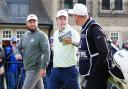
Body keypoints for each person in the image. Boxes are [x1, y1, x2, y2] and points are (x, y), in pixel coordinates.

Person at [69, 3, 109, 89]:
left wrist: (95, 71)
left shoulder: (94, 28)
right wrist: (73, 42)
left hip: (97, 74)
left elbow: (104, 52)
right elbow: (87, 46)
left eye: (73, 16)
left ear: (77, 17)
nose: (73, 18)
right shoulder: (85, 28)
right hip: (91, 74)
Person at [14, 14, 50, 89]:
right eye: (30, 22)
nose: (32, 24)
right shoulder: (24, 36)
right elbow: (16, 47)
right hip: (28, 69)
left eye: (34, 22)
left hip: (36, 69)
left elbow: (47, 52)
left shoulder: (42, 35)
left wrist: (43, 67)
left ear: (37, 23)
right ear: (26, 23)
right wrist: (17, 53)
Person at [49, 10, 80, 89]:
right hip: (55, 70)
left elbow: (81, 45)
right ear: (57, 20)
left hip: (70, 70)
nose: (62, 21)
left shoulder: (73, 32)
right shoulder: (55, 33)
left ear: (67, 20)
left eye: (64, 19)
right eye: (60, 19)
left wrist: (73, 42)